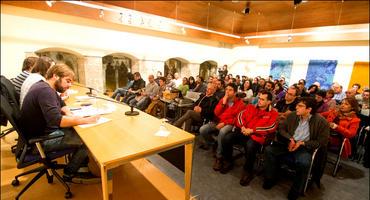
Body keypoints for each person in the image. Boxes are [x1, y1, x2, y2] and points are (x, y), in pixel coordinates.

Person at [19, 63, 101, 182]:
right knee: (87, 140)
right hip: (39, 142)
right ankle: (71, 173)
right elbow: (57, 121)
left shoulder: (45, 87)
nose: (69, 85)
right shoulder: (45, 91)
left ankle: (79, 163)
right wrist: (85, 120)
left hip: (40, 134)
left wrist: (70, 114)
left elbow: (61, 104)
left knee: (75, 129)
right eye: (67, 81)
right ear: (55, 76)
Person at [263, 97, 330, 200]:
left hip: (304, 147)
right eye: (297, 105)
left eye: (300, 106)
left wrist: (302, 143)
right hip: (288, 143)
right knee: (269, 150)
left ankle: (296, 189)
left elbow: (322, 141)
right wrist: (290, 139)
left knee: (304, 163)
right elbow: (281, 128)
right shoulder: (293, 115)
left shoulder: (321, 122)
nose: (296, 107)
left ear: (309, 109)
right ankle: (270, 178)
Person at [221, 90, 278, 186]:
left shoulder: (273, 113)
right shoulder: (251, 107)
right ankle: (228, 161)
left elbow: (271, 127)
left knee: (250, 145)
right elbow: (240, 116)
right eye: (259, 98)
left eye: (262, 99)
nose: (259, 101)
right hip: (244, 131)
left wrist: (252, 130)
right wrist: (242, 127)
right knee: (227, 138)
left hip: (257, 137)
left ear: (269, 102)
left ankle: (248, 171)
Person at [199, 83, 245, 170]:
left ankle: (219, 157)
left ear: (235, 92)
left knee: (223, 132)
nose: (227, 92)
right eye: (226, 89)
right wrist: (223, 103)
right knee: (203, 129)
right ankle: (214, 143)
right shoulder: (223, 100)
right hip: (219, 121)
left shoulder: (240, 104)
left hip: (230, 124)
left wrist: (224, 123)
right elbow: (216, 113)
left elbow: (237, 119)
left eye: (230, 90)